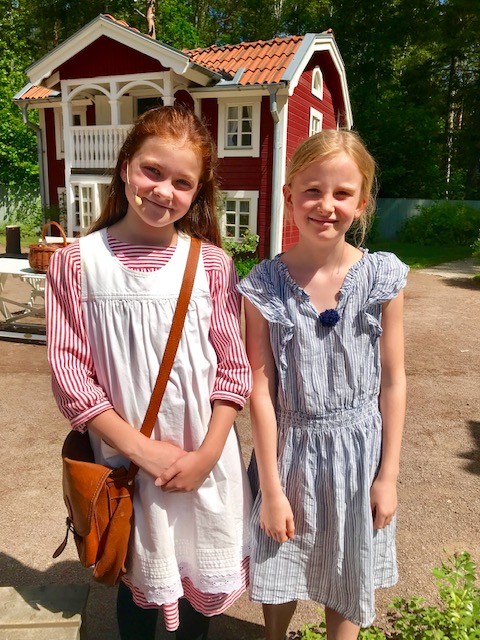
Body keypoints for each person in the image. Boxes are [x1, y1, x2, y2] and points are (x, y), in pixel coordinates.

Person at [46, 105, 252, 640]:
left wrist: (207, 455)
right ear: (125, 167)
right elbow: (71, 376)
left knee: (199, 592)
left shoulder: (211, 264)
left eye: (182, 182)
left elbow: (233, 370)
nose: (163, 191)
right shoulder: (77, 263)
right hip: (127, 463)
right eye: (152, 171)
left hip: (204, 461)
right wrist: (142, 450)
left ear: (198, 192)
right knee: (138, 584)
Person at [238, 129, 408, 640]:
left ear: (362, 202)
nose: (326, 205)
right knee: (280, 562)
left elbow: (394, 381)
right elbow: (260, 389)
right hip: (287, 452)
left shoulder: (382, 277)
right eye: (312, 190)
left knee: (348, 572)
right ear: (289, 194)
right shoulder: (264, 284)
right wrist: (271, 489)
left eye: (342, 193)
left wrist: (388, 477)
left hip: (360, 457)